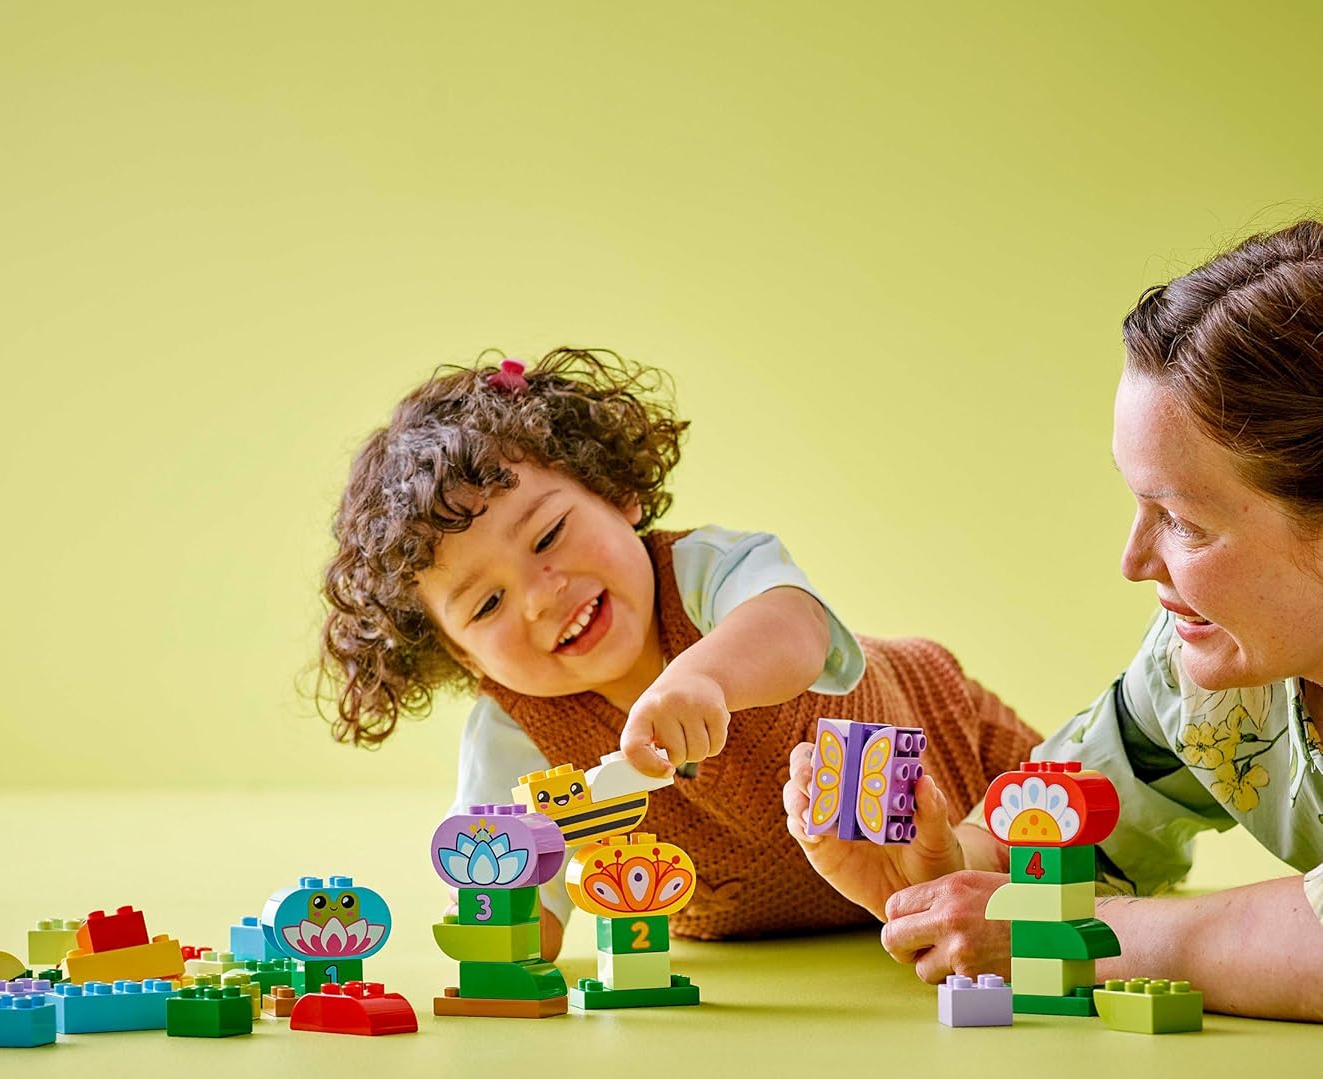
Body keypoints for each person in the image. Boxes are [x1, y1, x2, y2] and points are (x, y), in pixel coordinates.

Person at [317, 348, 1038, 959]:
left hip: (953, 750)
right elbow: (510, 882)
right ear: (462, 658)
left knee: (1059, 831)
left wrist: (704, 679)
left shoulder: (705, 572)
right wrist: (504, 926)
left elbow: (796, 627)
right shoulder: (514, 732)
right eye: (487, 605)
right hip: (770, 914)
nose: (539, 596)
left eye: (548, 536)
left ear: (617, 494)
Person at [785, 221, 1323, 1021]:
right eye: (1138, 503)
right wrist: (942, 871)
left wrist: (1080, 938)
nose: (1134, 561)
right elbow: (1069, 829)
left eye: (1183, 521)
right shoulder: (1203, 675)